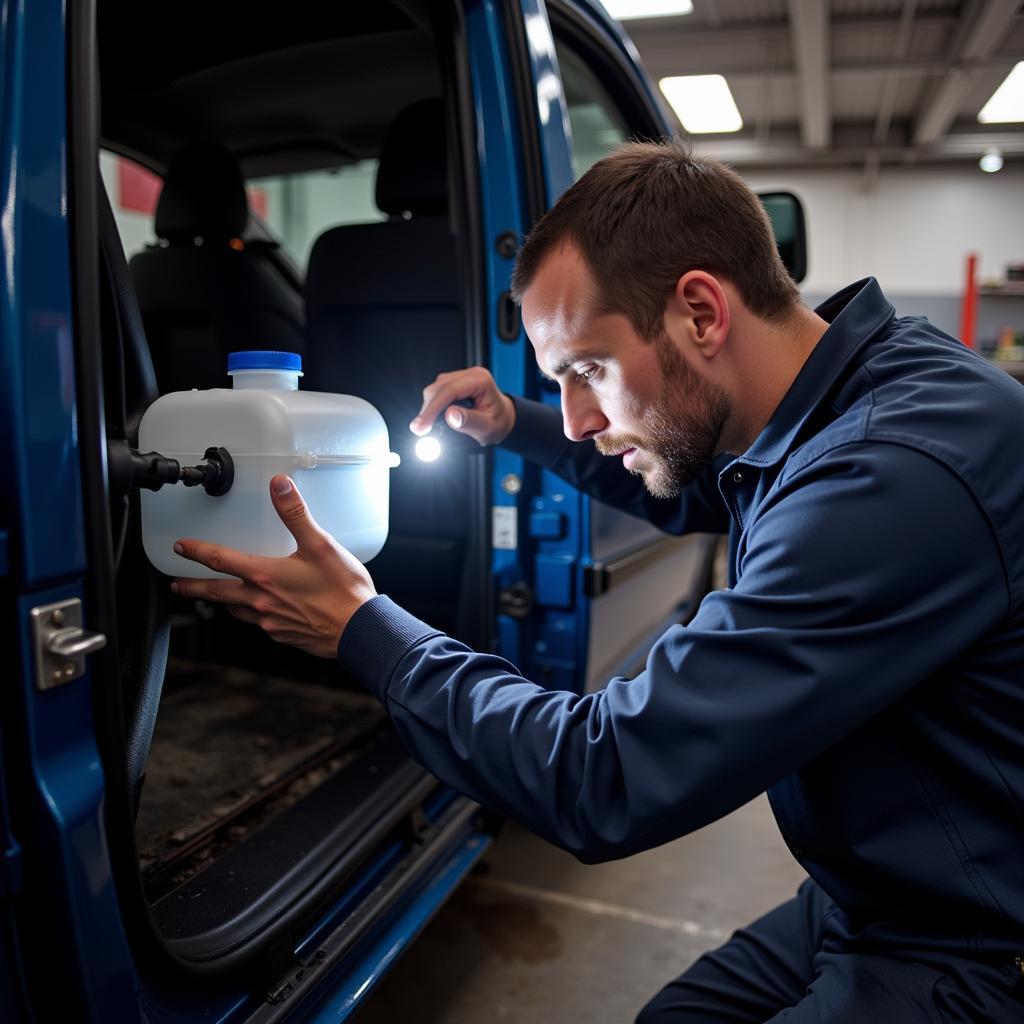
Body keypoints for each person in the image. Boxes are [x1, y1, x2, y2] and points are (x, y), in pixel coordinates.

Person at [170, 142, 1024, 1022]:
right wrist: (514, 423)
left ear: (700, 310)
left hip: (979, 937)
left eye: (587, 370)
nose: (579, 421)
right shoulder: (833, 399)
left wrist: (362, 626)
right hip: (881, 887)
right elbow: (690, 481)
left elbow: (607, 776)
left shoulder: (894, 473)